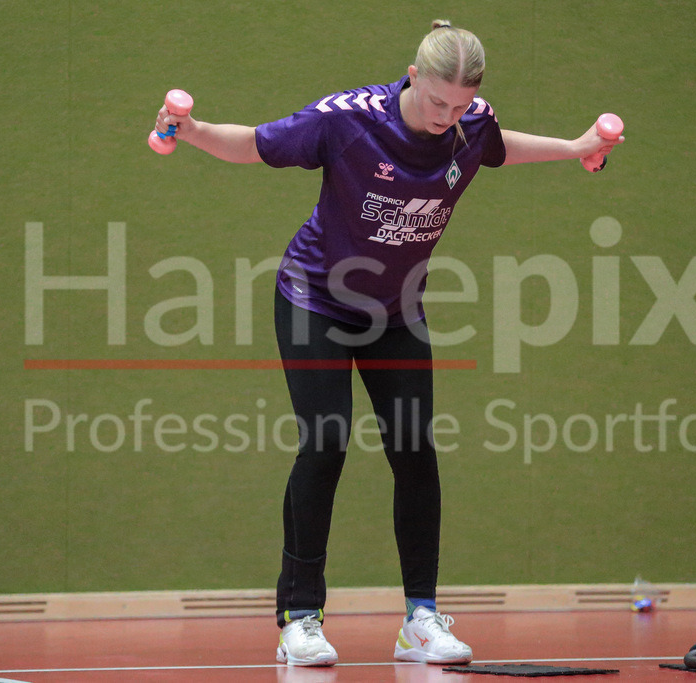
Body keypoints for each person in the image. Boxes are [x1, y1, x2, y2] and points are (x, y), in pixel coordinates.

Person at [154, 19, 622, 668]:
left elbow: (499, 146)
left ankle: (421, 619)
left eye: (459, 107)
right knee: (324, 443)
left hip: (395, 312)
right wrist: (194, 130)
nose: (446, 118)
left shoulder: (471, 124)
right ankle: (300, 618)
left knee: (415, 449)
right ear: (413, 74)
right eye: (437, 102)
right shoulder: (349, 122)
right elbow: (256, 144)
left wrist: (577, 147)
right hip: (313, 298)